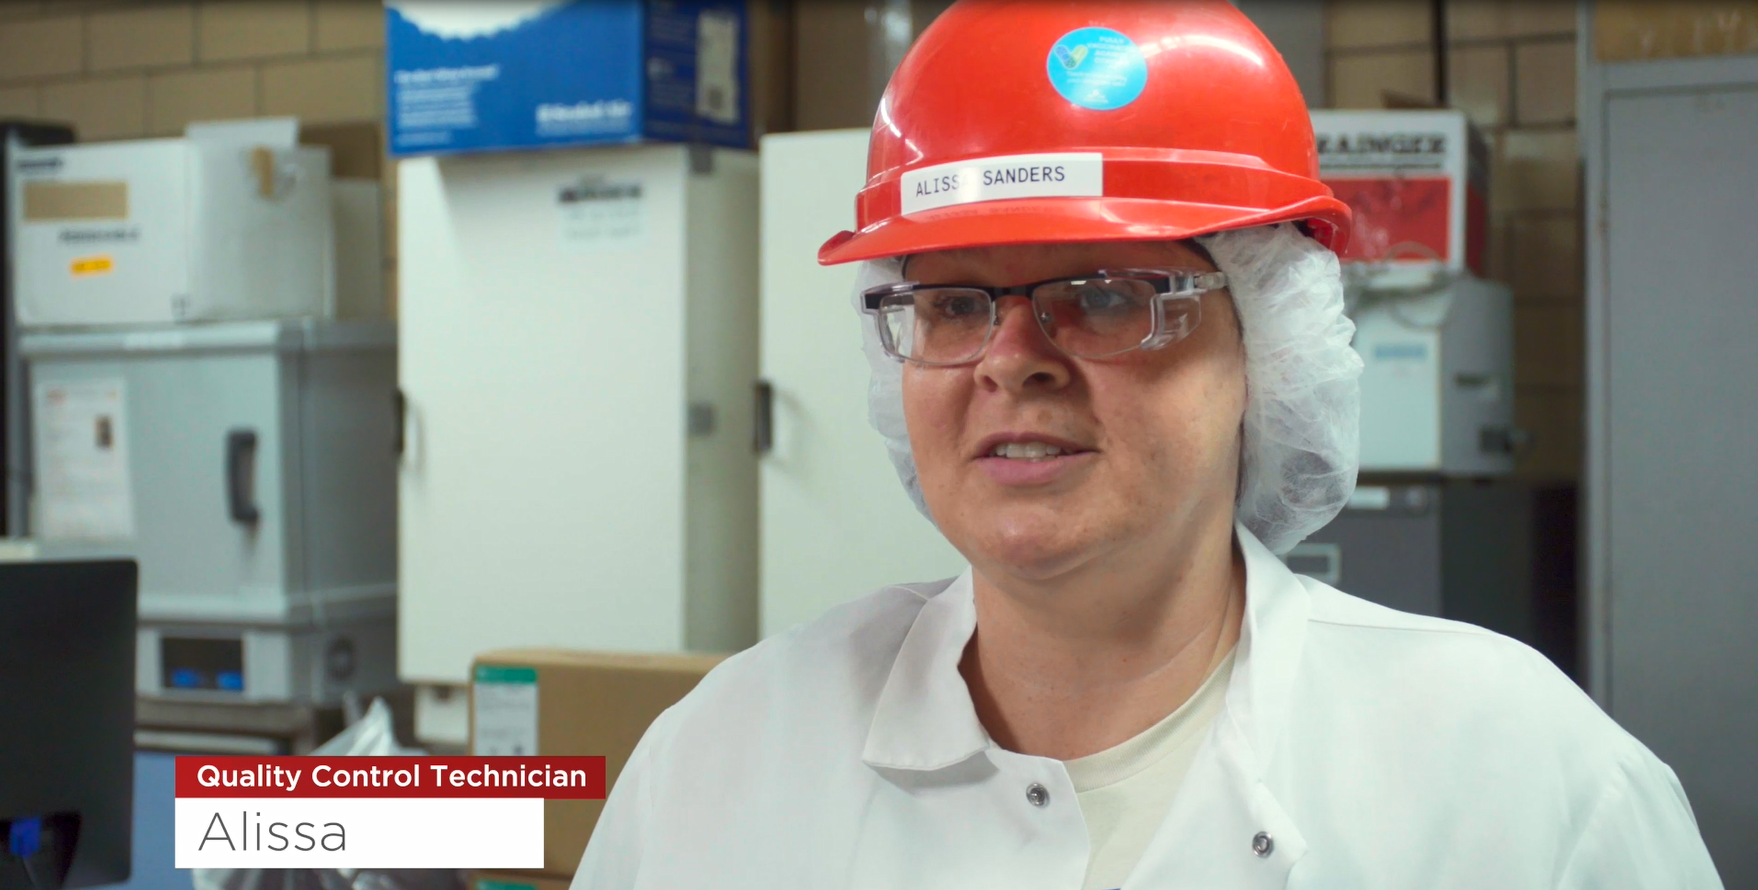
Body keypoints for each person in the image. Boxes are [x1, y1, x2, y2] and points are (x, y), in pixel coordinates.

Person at [573, 2, 1723, 887]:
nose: (1008, 357)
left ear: (1265, 353)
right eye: (955, 301)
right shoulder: (719, 767)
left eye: (1109, 294)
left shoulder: (1520, 783)